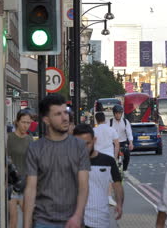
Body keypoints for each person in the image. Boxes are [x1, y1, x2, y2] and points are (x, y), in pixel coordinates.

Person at [24, 94, 91, 228]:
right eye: (58, 114)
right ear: (47, 120)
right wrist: (26, 225)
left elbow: (84, 186)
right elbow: (30, 188)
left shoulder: (79, 146)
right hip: (43, 221)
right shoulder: (35, 148)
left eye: (65, 112)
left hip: (72, 221)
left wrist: (78, 216)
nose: (65, 117)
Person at [73, 124, 124, 228]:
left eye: (87, 144)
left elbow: (117, 185)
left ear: (94, 140)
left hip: (100, 220)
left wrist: (119, 204)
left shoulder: (108, 161)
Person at [8, 109, 33, 228]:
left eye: (28, 123)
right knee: (13, 220)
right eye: (23, 122)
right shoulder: (9, 138)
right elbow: (5, 161)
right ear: (17, 122)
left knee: (28, 220)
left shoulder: (29, 139)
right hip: (11, 184)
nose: (26, 125)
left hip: (26, 184)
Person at [109, 104, 133, 172]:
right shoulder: (110, 122)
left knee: (127, 155)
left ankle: (124, 169)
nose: (118, 115)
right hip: (113, 143)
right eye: (116, 113)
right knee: (111, 157)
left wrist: (131, 143)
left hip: (123, 142)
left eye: (119, 113)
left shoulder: (125, 122)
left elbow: (129, 133)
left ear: (121, 114)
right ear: (114, 114)